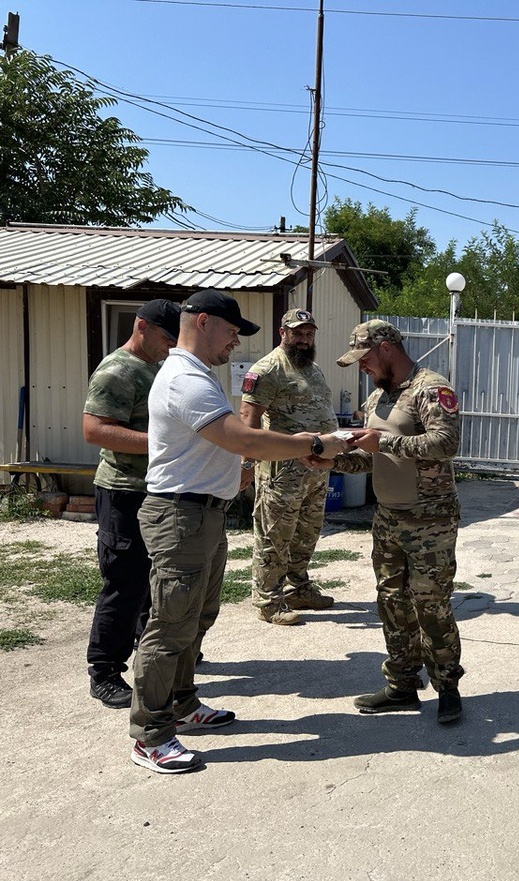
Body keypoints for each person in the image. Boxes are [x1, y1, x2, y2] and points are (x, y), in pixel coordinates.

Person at [129, 289, 348, 775]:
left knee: (196, 619)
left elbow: (224, 445)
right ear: (203, 322)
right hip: (180, 517)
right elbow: (239, 435)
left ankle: (183, 706)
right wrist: (312, 442)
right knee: (170, 628)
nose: (235, 342)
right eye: (231, 332)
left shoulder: (197, 374)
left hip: (202, 513)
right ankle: (150, 735)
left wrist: (241, 468)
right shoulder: (185, 377)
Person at [325, 320, 467, 725]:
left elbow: (446, 444)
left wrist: (383, 441)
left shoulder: (431, 388)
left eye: (366, 359)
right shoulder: (377, 399)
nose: (362, 368)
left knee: (431, 604)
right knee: (391, 602)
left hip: (430, 519)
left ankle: (447, 688)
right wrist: (331, 460)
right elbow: (371, 458)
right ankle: (403, 684)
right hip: (387, 516)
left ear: (387, 348)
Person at [82, 298, 181, 708]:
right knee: (124, 582)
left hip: (154, 488)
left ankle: (148, 648)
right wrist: (164, 444)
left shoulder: (157, 366)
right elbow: (95, 430)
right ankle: (104, 669)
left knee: (152, 577)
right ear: (141, 326)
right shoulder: (117, 370)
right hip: (123, 490)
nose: (170, 345)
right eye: (164, 337)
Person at [240, 307, 340, 626]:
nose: (304, 339)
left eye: (309, 334)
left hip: (314, 470)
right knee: (275, 534)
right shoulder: (268, 369)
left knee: (307, 532)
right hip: (282, 470)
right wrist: (247, 461)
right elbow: (249, 418)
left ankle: (298, 587)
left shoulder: (312, 368)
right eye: (297, 333)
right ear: (282, 333)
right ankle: (268, 600)